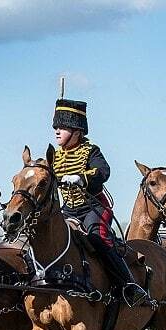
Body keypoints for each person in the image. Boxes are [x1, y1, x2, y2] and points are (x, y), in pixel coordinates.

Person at [51, 98, 147, 306]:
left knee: (97, 238)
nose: (57, 131)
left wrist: (81, 177)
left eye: (63, 127)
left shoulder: (90, 151)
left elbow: (103, 171)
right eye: (56, 126)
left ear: (77, 131)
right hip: (68, 209)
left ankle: (128, 286)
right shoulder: (55, 157)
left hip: (94, 207)